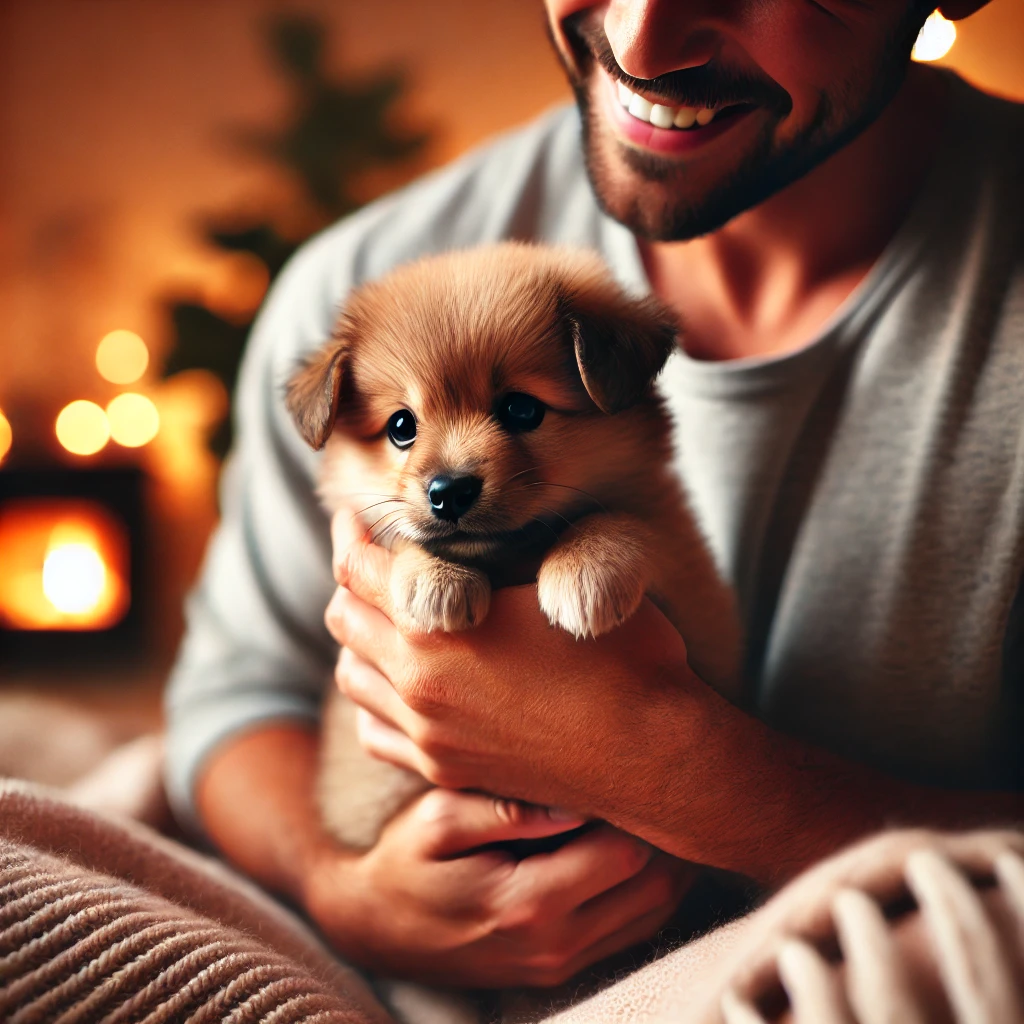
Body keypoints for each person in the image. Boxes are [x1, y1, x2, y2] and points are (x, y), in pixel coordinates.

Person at [166, 0, 1024, 992]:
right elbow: (238, 696)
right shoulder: (357, 286)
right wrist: (347, 893)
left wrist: (692, 781)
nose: (642, 39)